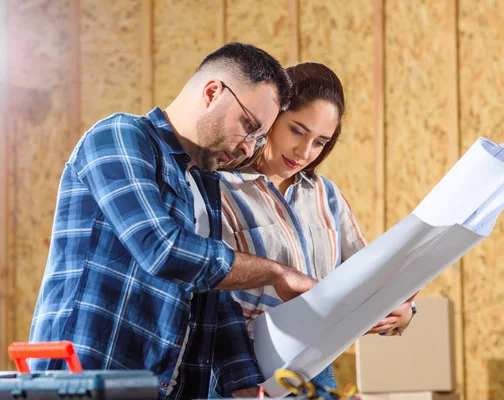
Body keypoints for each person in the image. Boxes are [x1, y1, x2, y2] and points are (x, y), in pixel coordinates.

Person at [29, 43, 317, 400]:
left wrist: (243, 385)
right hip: (85, 378)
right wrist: (279, 273)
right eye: (249, 126)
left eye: (258, 139)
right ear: (213, 93)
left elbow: (214, 293)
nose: (248, 148)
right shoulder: (120, 136)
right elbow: (161, 249)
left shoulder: (206, 186)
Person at [216, 62, 417, 398]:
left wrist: (402, 313)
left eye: (320, 142)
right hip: (236, 369)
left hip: (314, 371)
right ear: (273, 115)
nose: (304, 152)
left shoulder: (326, 196)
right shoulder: (221, 188)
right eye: (297, 130)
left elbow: (365, 278)